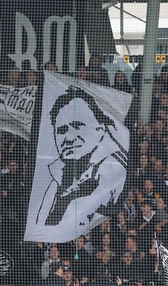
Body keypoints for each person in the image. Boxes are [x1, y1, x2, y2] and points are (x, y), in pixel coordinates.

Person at [28, 86, 127, 240]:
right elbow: (42, 222)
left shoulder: (112, 170)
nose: (68, 137)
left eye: (77, 126)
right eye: (61, 130)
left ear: (100, 130)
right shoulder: (56, 174)